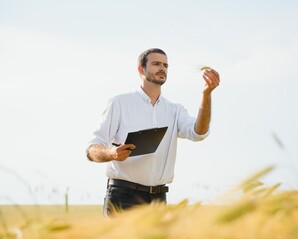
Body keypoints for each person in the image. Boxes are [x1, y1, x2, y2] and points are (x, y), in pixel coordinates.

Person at [86, 48, 220, 216]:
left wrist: (206, 94)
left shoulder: (175, 110)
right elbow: (91, 150)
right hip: (123, 197)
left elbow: (198, 132)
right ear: (141, 70)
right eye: (156, 64)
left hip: (158, 200)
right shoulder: (119, 103)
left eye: (165, 65)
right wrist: (112, 153)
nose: (162, 68)